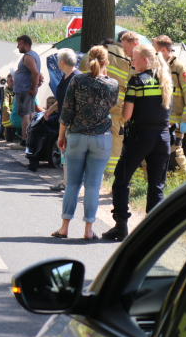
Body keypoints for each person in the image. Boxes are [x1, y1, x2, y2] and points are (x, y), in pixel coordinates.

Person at [103, 44, 172, 241]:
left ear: (144, 60)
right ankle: (153, 231)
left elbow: (126, 115)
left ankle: (121, 226)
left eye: (134, 59)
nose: (132, 62)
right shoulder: (165, 80)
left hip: (141, 137)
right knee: (157, 185)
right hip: (163, 138)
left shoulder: (136, 81)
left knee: (121, 179)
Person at [51, 45, 119, 240]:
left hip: (77, 136)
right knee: (93, 186)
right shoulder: (112, 84)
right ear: (107, 62)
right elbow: (112, 105)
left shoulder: (77, 80)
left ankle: (64, 227)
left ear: (88, 60)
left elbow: (66, 111)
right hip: (101, 138)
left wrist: (61, 136)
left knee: (72, 184)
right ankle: (88, 230)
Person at [79, 30, 137, 177]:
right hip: (118, 104)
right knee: (116, 137)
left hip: (95, 103)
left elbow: (83, 67)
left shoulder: (100, 51)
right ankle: (111, 173)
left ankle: (93, 170)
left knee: (94, 135)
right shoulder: (129, 56)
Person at [152, 35, 186, 172]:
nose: (153, 55)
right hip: (161, 120)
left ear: (164, 50)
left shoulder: (179, 68)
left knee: (176, 152)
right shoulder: (158, 67)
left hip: (176, 121)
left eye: (155, 51)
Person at [45, 49, 82, 190]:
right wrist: (51, 109)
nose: (57, 63)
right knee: (64, 153)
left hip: (71, 122)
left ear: (64, 62)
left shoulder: (76, 77)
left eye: (59, 60)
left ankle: (70, 183)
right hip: (64, 120)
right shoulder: (65, 76)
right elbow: (62, 99)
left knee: (69, 153)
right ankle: (66, 182)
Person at [14, 35, 41, 147]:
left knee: (25, 116)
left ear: (26, 45)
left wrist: (33, 89)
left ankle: (25, 141)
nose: (17, 46)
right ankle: (29, 140)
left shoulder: (28, 57)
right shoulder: (33, 55)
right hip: (26, 90)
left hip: (24, 91)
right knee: (29, 115)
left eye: (20, 44)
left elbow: (35, 73)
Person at [1, 73, 16, 141]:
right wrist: (13, 119)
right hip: (9, 122)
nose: (13, 82)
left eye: (14, 80)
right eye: (11, 81)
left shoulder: (19, 92)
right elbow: (5, 108)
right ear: (7, 82)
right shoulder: (6, 92)